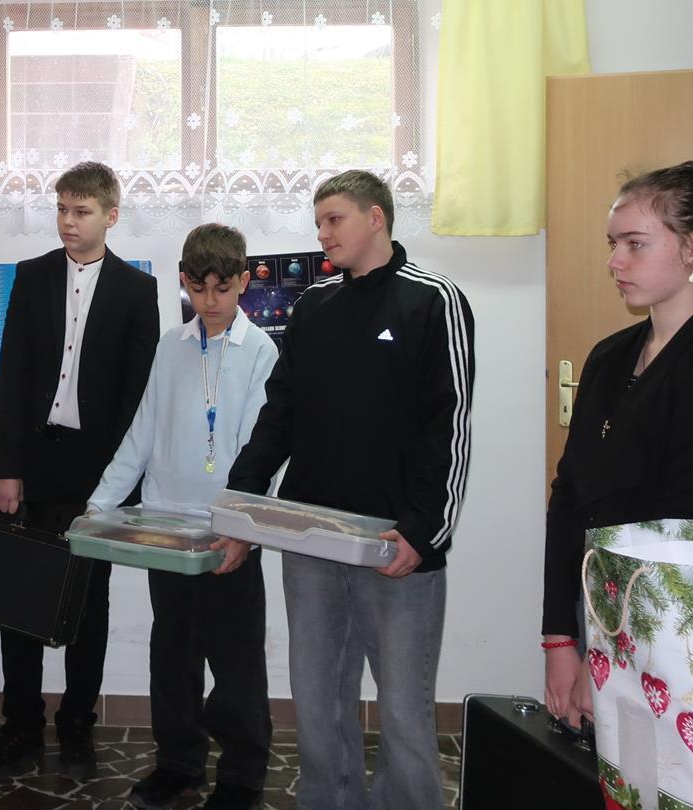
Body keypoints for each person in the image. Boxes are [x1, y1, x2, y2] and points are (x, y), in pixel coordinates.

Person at [225, 169, 475, 810]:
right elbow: (280, 413)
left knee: (405, 714)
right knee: (317, 704)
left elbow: (448, 427)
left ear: (376, 217)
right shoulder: (313, 305)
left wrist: (424, 532)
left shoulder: (434, 300)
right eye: (319, 222)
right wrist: (241, 500)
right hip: (310, 538)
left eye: (334, 219)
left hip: (395, 544)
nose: (323, 234)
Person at [541, 162, 693, 730]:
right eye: (613, 244)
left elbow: (680, 536)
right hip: (588, 609)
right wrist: (559, 637)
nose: (615, 261)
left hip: (653, 628)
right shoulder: (610, 355)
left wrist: (609, 652)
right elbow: (569, 494)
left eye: (635, 244)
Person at [0, 161, 160, 782]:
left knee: (87, 604)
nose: (68, 222)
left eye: (81, 211)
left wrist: (118, 486)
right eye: (61, 210)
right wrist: (5, 468)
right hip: (32, 462)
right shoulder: (31, 278)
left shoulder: (137, 290)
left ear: (111, 215)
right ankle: (20, 723)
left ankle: (77, 721)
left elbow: (137, 398)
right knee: (19, 598)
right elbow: (13, 381)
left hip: (96, 471)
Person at [85, 223, 277, 810]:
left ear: (243, 282)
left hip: (227, 535)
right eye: (198, 288)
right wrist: (99, 505)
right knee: (172, 653)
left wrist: (240, 528)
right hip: (164, 530)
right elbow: (142, 432)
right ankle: (178, 763)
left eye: (222, 288)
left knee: (237, 662)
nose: (210, 301)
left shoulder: (261, 351)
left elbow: (260, 451)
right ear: (183, 283)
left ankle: (242, 775)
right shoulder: (171, 346)